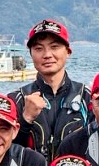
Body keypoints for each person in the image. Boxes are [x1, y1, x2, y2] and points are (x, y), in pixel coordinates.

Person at [12, 18, 92, 154]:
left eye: (54, 47)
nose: (47, 55)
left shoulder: (87, 98)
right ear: (31, 54)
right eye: (39, 49)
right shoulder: (16, 100)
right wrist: (26, 119)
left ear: (68, 51)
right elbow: (5, 152)